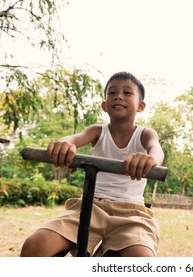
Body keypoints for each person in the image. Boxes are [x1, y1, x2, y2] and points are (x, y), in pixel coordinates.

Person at [20, 71, 164, 257]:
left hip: (131, 213)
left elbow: (156, 149)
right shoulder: (97, 131)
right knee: (35, 246)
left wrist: (150, 159)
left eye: (127, 93)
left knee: (141, 258)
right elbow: (74, 138)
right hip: (90, 206)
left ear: (141, 106)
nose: (118, 96)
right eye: (112, 93)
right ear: (104, 105)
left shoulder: (145, 134)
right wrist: (64, 144)